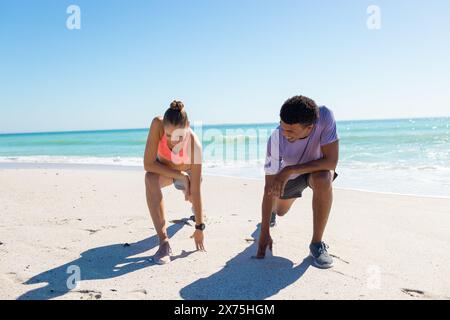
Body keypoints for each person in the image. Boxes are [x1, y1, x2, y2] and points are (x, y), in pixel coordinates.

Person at [255, 95, 339, 269]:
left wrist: (290, 169)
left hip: (312, 171)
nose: (284, 134)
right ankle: (272, 212)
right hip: (288, 181)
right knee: (280, 212)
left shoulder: (324, 117)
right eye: (282, 127)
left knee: (324, 179)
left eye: (291, 131)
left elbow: (331, 162)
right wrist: (264, 232)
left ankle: (316, 244)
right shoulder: (276, 139)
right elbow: (269, 187)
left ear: (310, 127)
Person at [143, 100, 205, 264]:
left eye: (179, 136)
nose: (173, 141)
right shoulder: (157, 124)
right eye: (169, 135)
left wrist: (199, 227)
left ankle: (193, 212)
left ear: (188, 126)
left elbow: (197, 191)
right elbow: (148, 164)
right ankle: (164, 242)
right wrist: (181, 176)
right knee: (149, 178)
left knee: (193, 198)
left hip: (189, 173)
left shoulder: (195, 147)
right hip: (166, 170)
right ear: (163, 127)